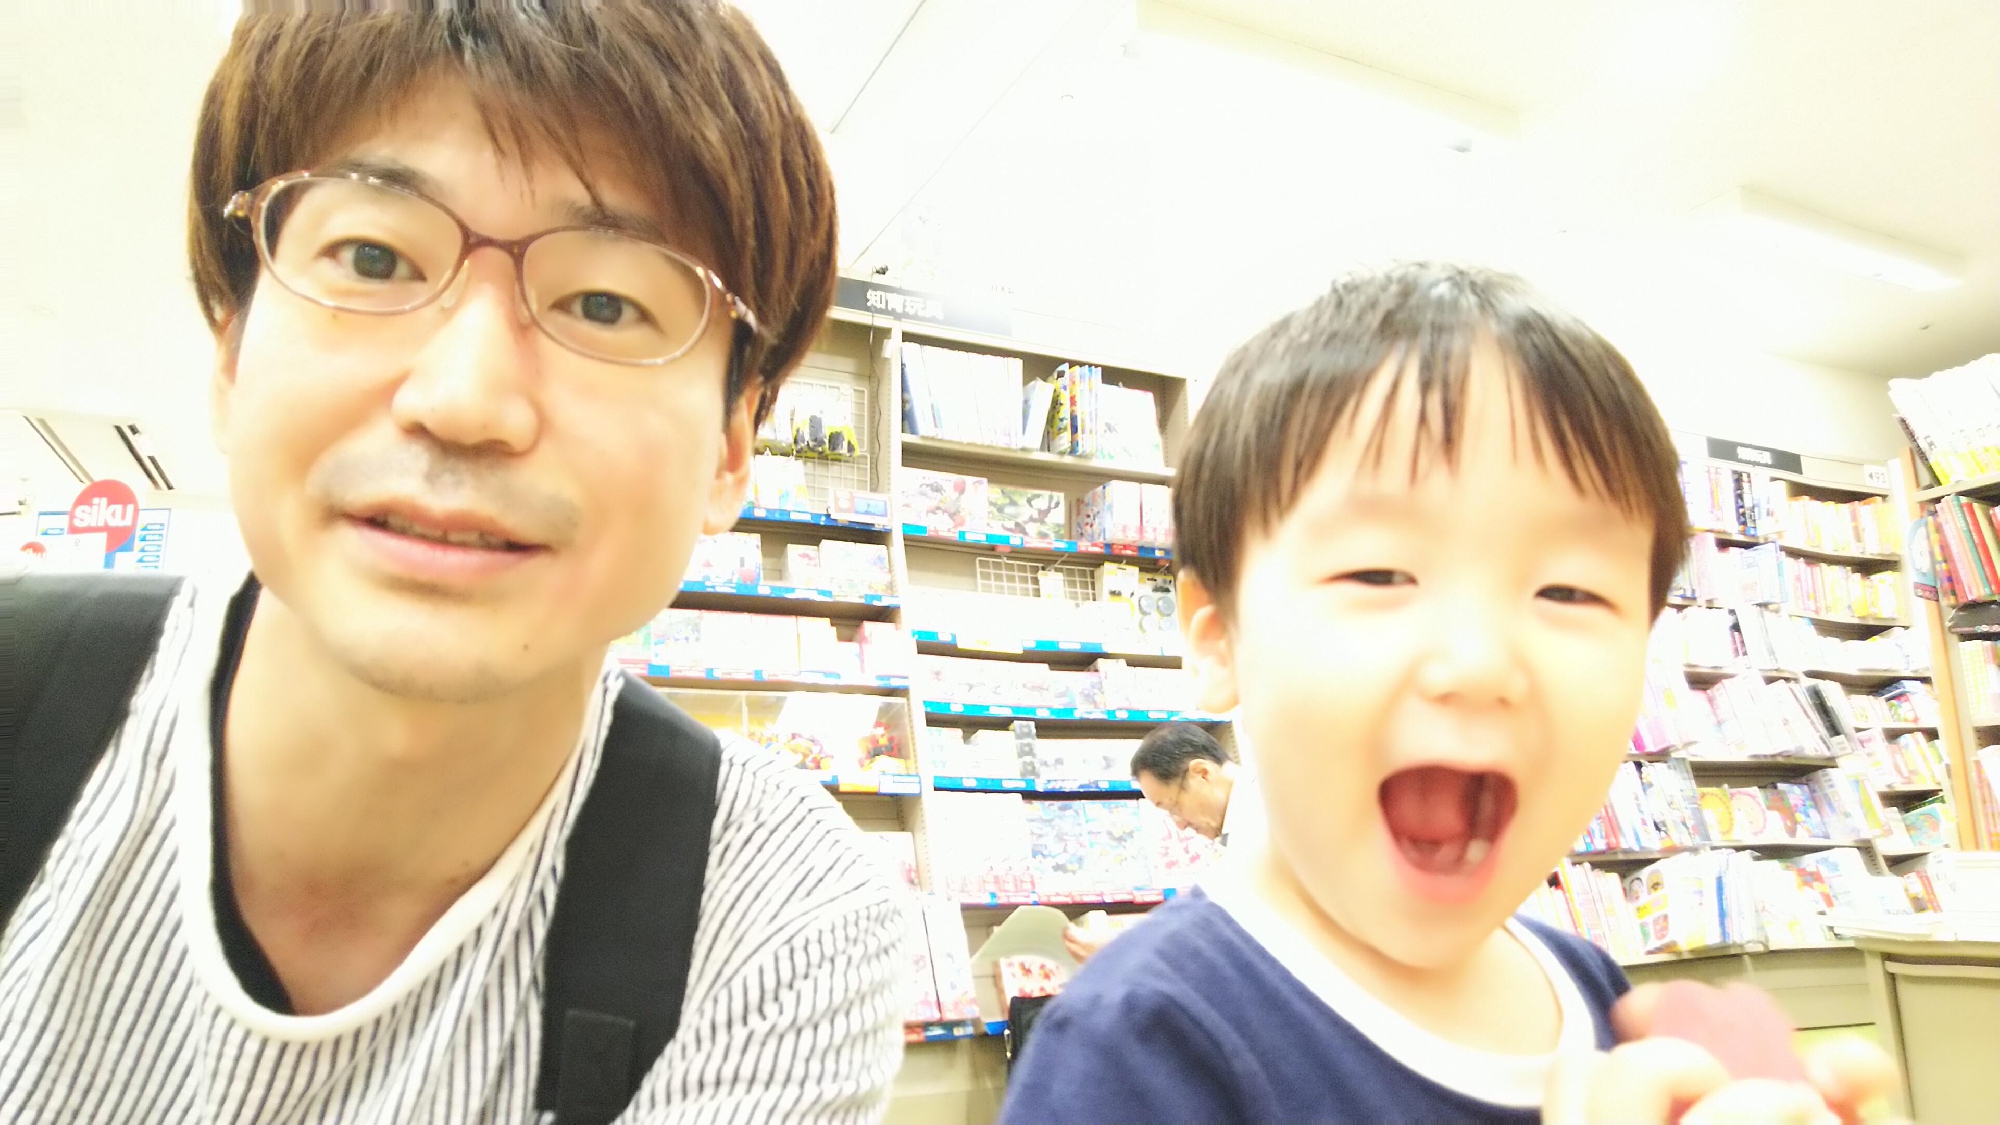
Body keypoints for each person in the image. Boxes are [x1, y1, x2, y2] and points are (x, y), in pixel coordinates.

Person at [1, 6, 904, 1123]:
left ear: (729, 450)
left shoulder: (775, 924)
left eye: (605, 303)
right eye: (373, 257)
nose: (464, 398)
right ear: (232, 352)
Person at [1000, 263, 1894, 1123]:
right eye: (1378, 572)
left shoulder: (1591, 988)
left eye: (1569, 590)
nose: (1478, 662)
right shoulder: (1137, 1043)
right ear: (1219, 640)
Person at [1063, 723, 1257, 963]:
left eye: (1173, 807)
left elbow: (1236, 933)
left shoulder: (1263, 821)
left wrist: (1127, 951)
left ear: (1202, 773)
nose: (1180, 825)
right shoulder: (1244, 822)